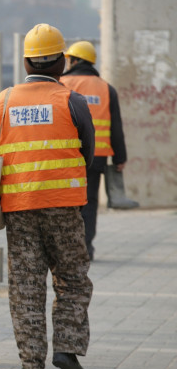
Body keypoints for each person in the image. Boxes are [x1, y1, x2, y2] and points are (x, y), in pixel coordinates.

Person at [0, 23, 94, 369]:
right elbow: (88, 152)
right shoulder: (72, 101)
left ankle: (29, 363)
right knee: (71, 278)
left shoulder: (4, 100)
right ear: (62, 63)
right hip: (63, 204)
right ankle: (67, 349)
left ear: (26, 61)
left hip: (19, 206)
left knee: (26, 283)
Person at [60, 40, 130, 260]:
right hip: (96, 158)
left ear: (75, 60)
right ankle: (86, 248)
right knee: (89, 204)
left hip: (67, 156)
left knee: (68, 203)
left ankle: (66, 247)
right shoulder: (106, 88)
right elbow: (116, 126)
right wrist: (120, 157)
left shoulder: (61, 83)